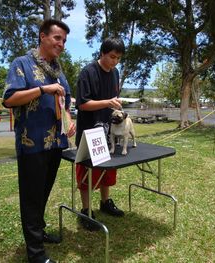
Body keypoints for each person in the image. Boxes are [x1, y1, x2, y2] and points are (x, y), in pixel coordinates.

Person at [3, 19, 76, 263]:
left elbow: (65, 100)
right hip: (31, 143)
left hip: (55, 142)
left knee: (43, 193)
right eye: (57, 38)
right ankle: (35, 254)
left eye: (64, 40)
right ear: (43, 37)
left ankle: (39, 232)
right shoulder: (21, 63)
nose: (61, 44)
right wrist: (43, 90)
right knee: (31, 198)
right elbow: (10, 99)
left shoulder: (57, 69)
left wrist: (68, 119)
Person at [75, 37, 125, 231]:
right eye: (112, 57)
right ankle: (86, 211)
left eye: (118, 58)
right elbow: (82, 103)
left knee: (107, 169)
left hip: (108, 130)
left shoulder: (115, 73)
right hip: (89, 132)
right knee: (87, 171)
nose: (114, 62)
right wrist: (107, 102)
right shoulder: (88, 72)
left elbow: (113, 99)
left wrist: (114, 103)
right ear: (102, 53)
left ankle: (105, 203)